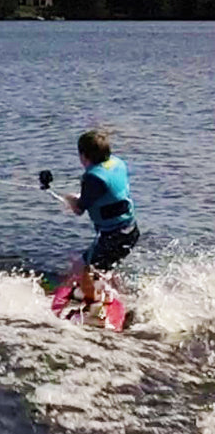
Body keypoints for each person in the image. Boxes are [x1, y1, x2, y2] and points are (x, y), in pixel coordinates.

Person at [63, 129, 139, 304]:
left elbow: (79, 209)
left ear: (84, 156)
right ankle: (114, 292)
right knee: (105, 267)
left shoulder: (92, 178)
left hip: (113, 236)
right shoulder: (117, 163)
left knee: (81, 267)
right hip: (131, 230)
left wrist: (69, 198)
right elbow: (108, 194)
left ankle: (92, 304)